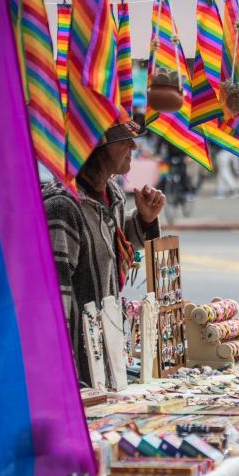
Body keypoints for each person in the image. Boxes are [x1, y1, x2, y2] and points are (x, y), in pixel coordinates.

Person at [42, 121, 164, 385]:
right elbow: (54, 302)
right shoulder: (63, 209)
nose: (133, 145)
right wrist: (64, 380)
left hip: (109, 360)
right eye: (123, 140)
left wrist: (144, 220)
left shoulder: (113, 196)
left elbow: (110, 246)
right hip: (80, 374)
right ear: (95, 146)